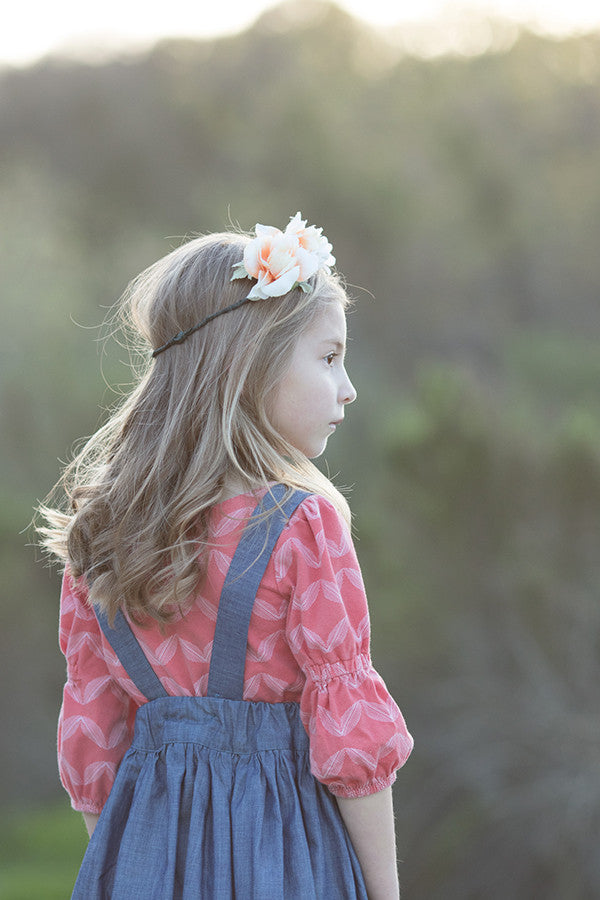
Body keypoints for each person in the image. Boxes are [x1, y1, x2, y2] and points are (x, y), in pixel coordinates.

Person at [38, 213, 413, 899]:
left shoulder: (101, 537)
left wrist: (135, 865)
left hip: (141, 861)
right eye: (329, 357)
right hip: (286, 858)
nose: (348, 387)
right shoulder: (303, 525)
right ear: (250, 366)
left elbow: (94, 748)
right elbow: (355, 753)